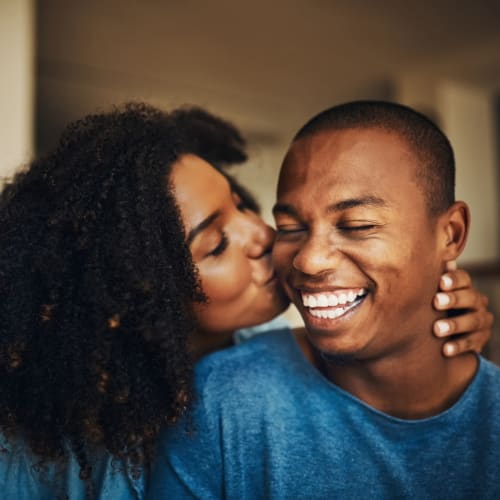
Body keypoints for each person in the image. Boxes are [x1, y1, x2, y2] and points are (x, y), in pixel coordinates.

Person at [0, 103, 492, 499]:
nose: (264, 235)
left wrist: (433, 306)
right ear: (134, 298)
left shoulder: (281, 341)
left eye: (240, 203)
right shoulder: (55, 451)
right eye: (215, 245)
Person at [152, 101, 500, 499]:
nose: (308, 260)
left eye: (357, 225)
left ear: (450, 235)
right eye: (290, 227)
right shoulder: (217, 402)